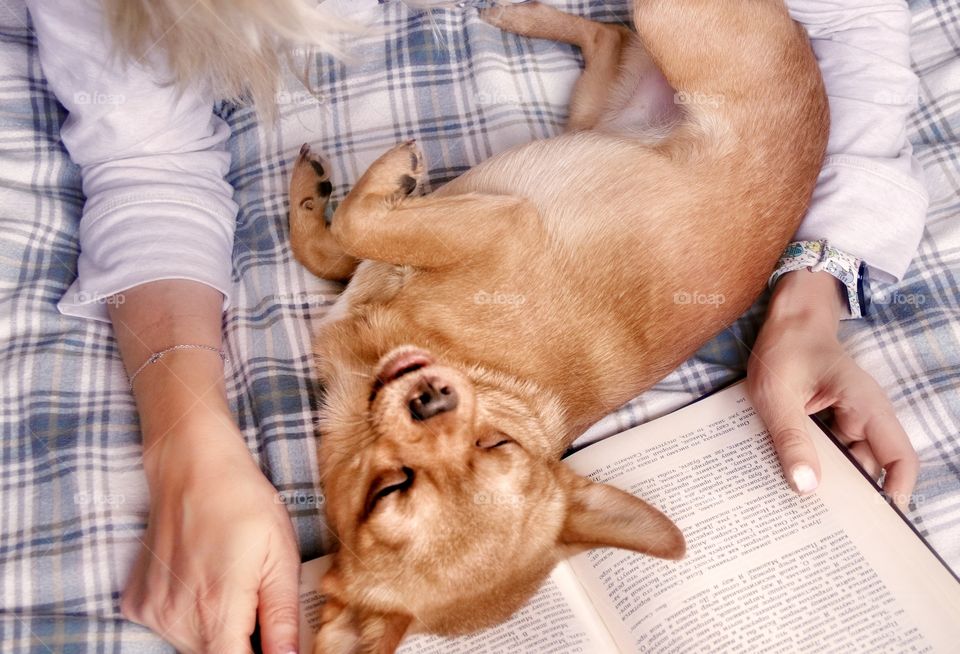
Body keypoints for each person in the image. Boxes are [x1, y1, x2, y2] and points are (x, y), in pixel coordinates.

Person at [24, 0, 927, 651]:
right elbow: (503, 226)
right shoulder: (497, 349)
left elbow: (850, 17)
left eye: (391, 490)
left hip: (653, 132)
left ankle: (606, 47)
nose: (432, 419)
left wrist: (818, 289)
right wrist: (363, 231)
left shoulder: (391, 383)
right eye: (494, 444)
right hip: (724, 121)